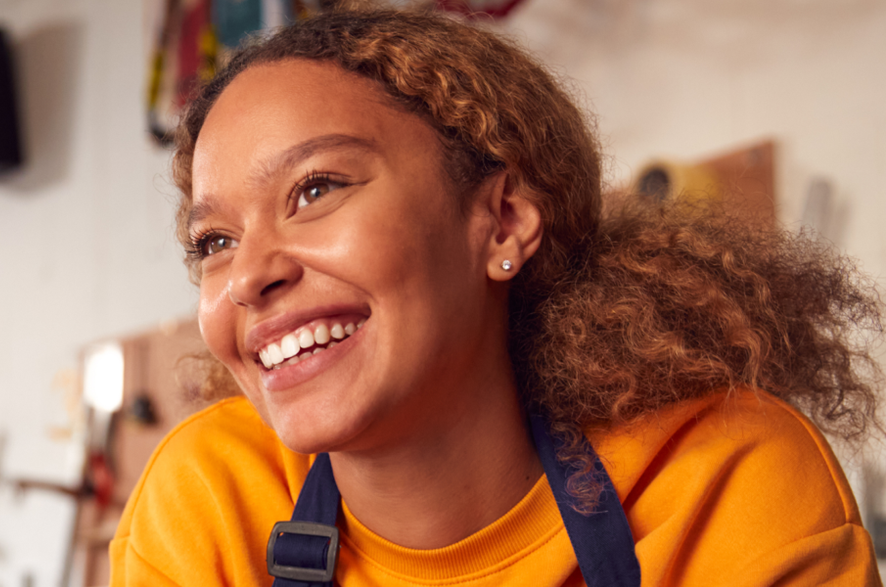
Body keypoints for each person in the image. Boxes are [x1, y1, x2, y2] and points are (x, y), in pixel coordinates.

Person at [109, 6, 884, 586]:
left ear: (504, 221)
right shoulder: (207, 501)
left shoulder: (722, 479)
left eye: (316, 189)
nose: (248, 276)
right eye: (214, 241)